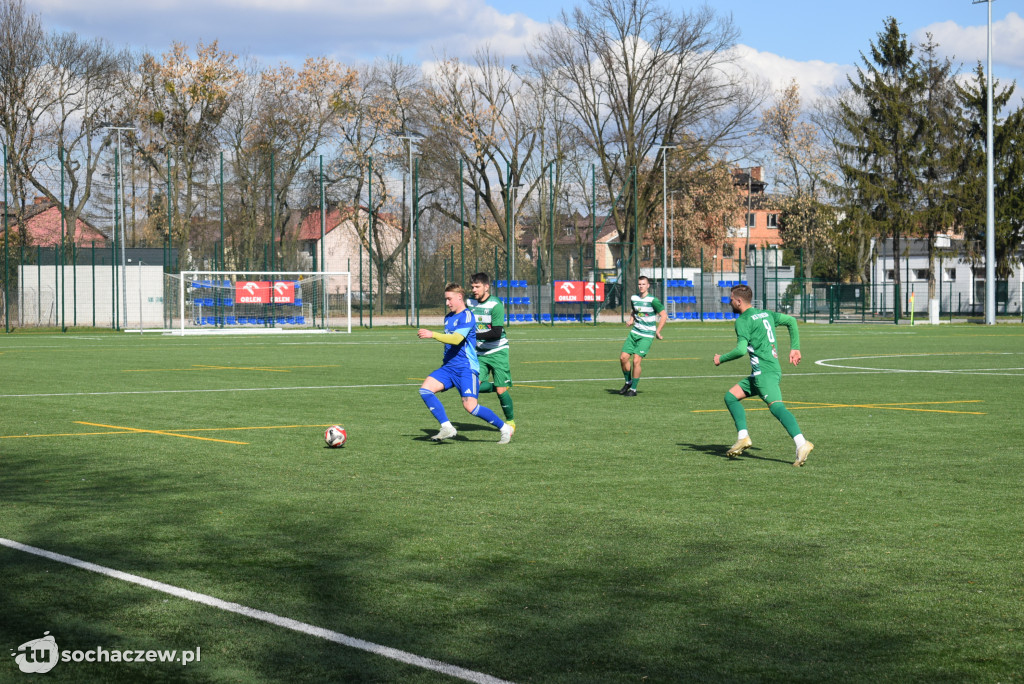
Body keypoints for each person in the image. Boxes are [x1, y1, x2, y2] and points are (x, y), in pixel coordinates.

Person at [713, 284, 814, 467]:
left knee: (777, 408)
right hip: (767, 371)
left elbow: (740, 350)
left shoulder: (743, 320)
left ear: (738, 301)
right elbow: (791, 320)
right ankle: (743, 437)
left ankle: (802, 443)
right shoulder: (766, 314)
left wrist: (721, 358)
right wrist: (795, 347)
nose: (729, 301)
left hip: (763, 374)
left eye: (731, 299)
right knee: (731, 397)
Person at [417, 283, 514, 444]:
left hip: (466, 368)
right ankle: (447, 427)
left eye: (449, 299)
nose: (447, 303)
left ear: (459, 297)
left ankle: (504, 428)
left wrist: (432, 334)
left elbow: (456, 339)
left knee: (471, 407)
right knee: (425, 390)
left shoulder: (467, 316)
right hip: (448, 368)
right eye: (446, 299)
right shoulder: (448, 317)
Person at [467, 273, 515, 431]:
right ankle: (499, 386)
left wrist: (473, 336)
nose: (474, 290)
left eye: (477, 286)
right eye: (472, 286)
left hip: (498, 351)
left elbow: (495, 332)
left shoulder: (496, 305)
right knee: (474, 387)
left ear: (486, 287)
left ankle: (510, 421)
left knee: (501, 391)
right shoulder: (470, 303)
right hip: (480, 353)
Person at [618, 275, 667, 397]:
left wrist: (658, 331)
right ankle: (628, 382)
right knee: (623, 358)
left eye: (643, 284)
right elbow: (635, 311)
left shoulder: (653, 300)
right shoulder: (634, 297)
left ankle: (633, 389)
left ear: (648, 285)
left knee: (636, 360)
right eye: (639, 284)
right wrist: (631, 320)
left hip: (647, 335)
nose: (641, 286)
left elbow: (664, 315)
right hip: (635, 332)